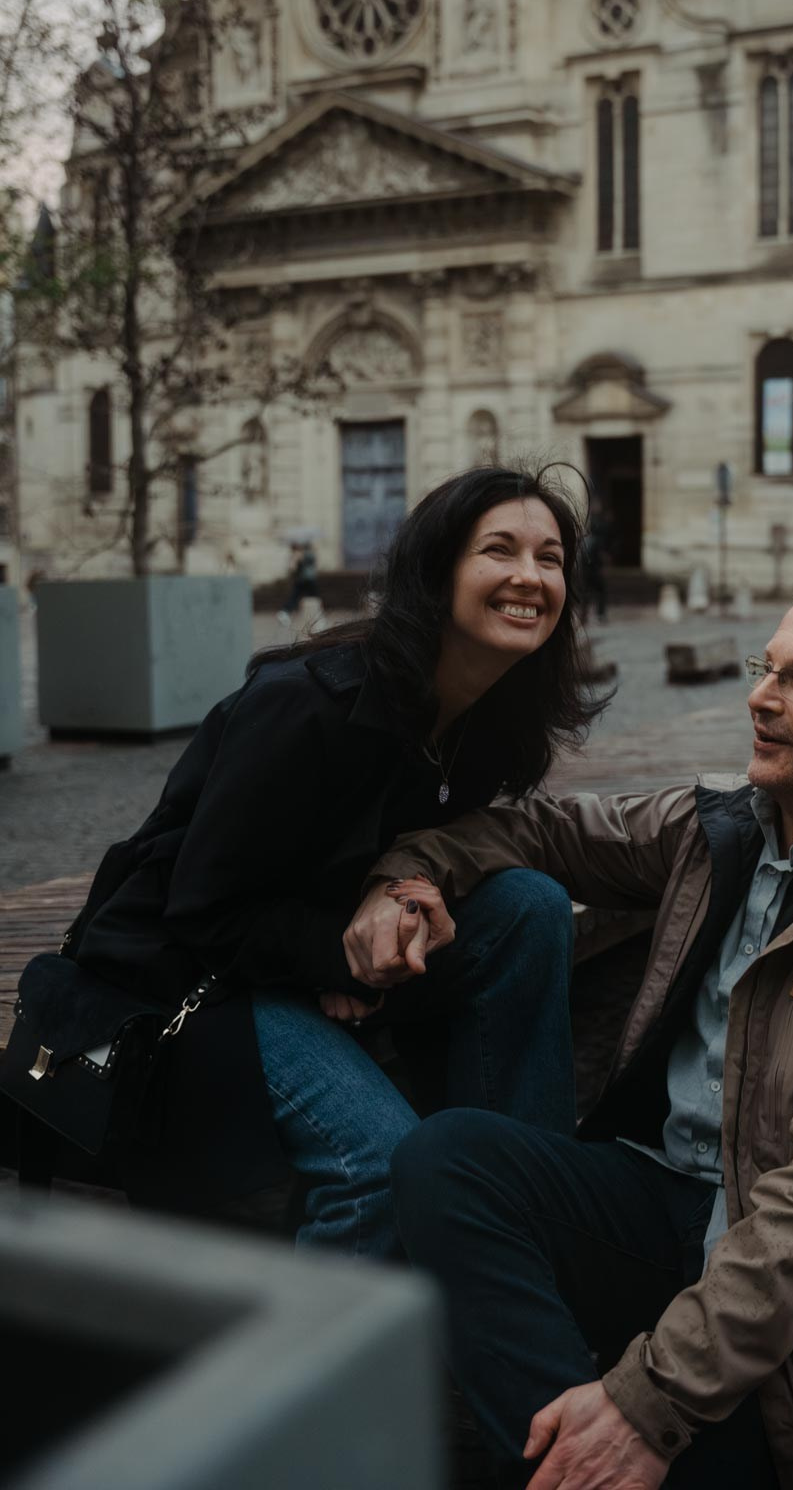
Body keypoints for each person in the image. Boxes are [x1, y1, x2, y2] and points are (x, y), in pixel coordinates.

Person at [367, 581, 793, 1488]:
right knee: (449, 1160)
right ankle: (581, 1456)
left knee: (742, 1449)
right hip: (670, 1201)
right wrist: (407, 878)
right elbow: (539, 830)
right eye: (766, 668)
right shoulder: (722, 827)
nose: (761, 696)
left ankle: (602, 1442)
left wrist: (650, 1399)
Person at [60, 465, 605, 1253]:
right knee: (382, 1168)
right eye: (500, 550)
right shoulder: (306, 702)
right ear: (438, 566)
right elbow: (202, 908)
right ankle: (324, 1363)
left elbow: (418, 850)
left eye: (550, 558)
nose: (530, 576)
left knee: (530, 906)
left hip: (309, 955)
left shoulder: (495, 721)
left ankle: (520, 1216)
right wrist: (341, 964)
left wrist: (406, 905)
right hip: (196, 980)